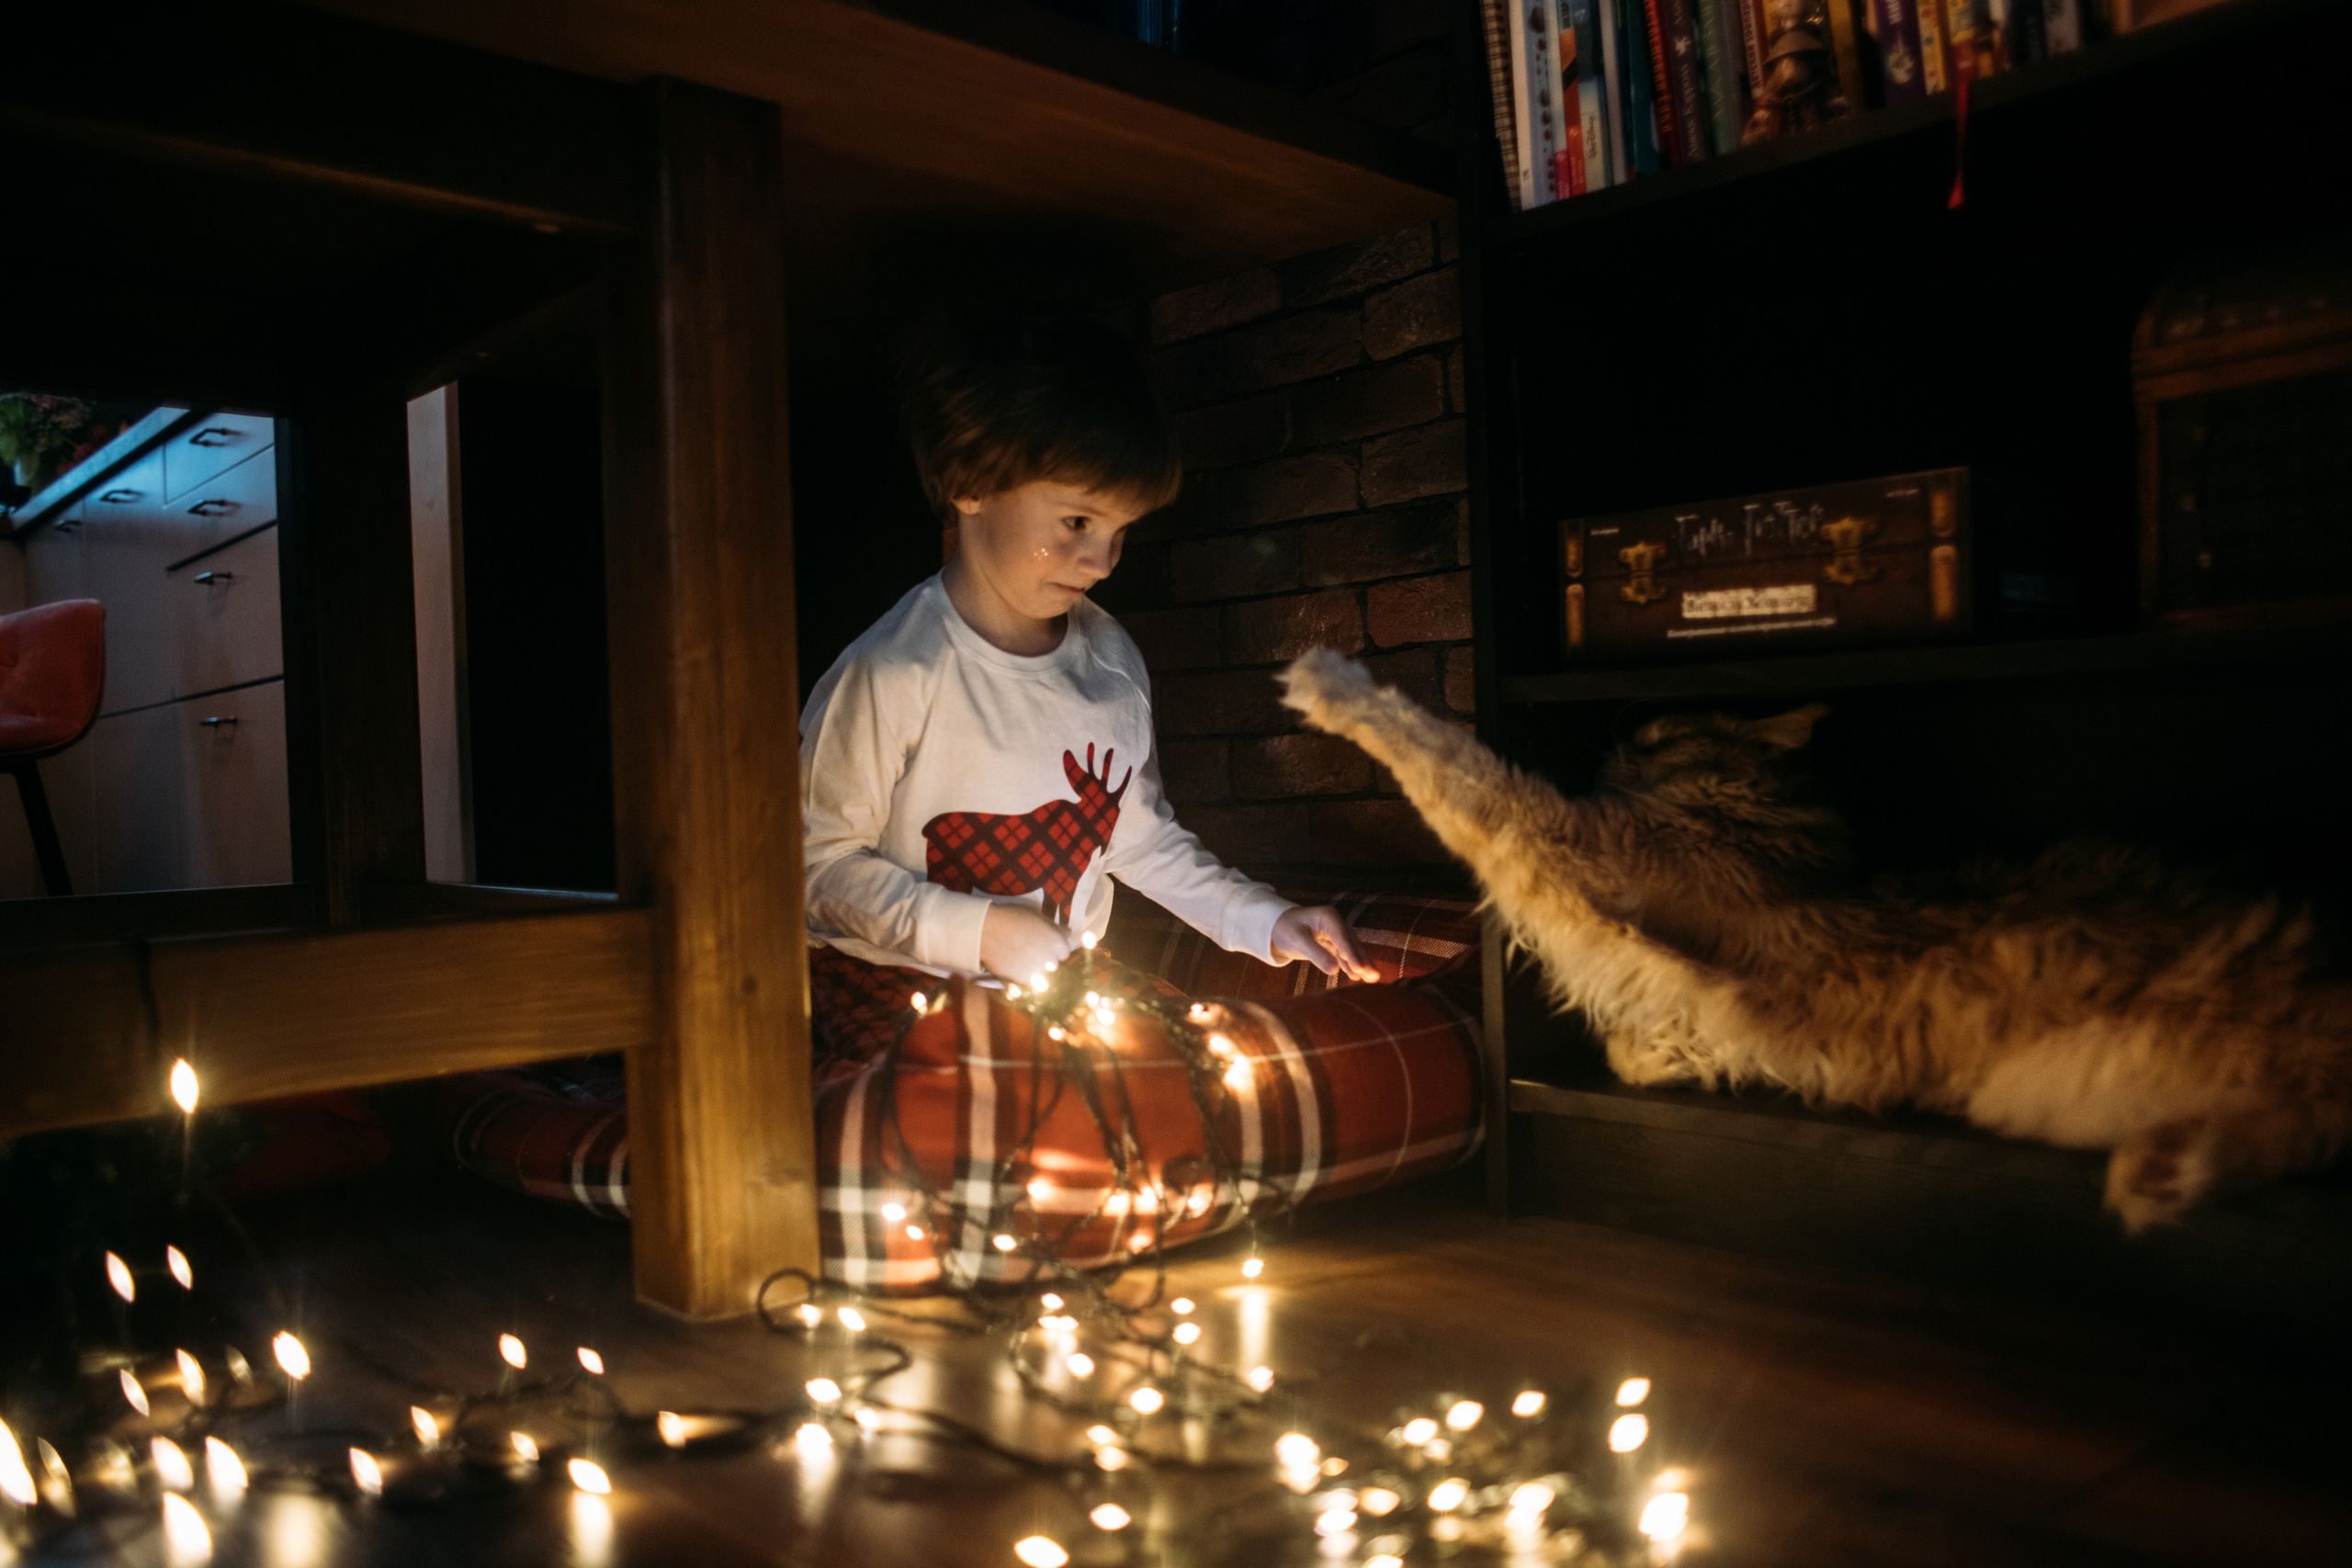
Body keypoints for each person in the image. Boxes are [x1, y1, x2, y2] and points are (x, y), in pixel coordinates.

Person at [798, 312, 1376, 1063]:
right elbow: (816, 870)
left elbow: (1140, 839)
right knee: (967, 1101)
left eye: (1121, 530)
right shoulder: (895, 672)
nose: (1102, 558)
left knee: (1195, 1059)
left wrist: (1267, 921)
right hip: (891, 981)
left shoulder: (1110, 664)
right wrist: (980, 932)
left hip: (1062, 984)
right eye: (1076, 520)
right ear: (971, 483)